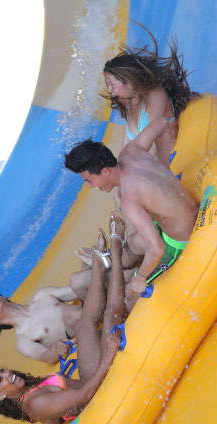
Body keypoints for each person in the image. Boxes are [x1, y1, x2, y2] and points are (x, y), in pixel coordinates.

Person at [0, 215, 125, 424]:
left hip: (88, 376)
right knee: (93, 322)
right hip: (96, 392)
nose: (7, 374)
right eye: (0, 379)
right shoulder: (33, 399)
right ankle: (113, 254)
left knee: (84, 314)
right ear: (0, 396)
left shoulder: (27, 392)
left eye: (2, 370)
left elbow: (56, 422)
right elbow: (82, 395)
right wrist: (109, 354)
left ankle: (101, 263)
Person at [64, 123, 198, 308]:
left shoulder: (130, 200)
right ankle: (116, 263)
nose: (89, 186)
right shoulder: (131, 150)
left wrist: (140, 278)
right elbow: (162, 124)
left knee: (131, 292)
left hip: (179, 241)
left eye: (89, 180)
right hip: (183, 214)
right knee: (134, 240)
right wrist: (165, 165)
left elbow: (157, 249)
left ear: (105, 171)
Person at [103, 27, 199, 169]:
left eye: (111, 84)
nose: (109, 90)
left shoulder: (155, 96)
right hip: (152, 169)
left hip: (174, 164)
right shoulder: (130, 108)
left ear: (128, 80)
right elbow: (126, 150)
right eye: (107, 85)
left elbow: (157, 140)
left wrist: (139, 174)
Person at [0, 285, 81, 364]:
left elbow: (76, 290)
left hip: (87, 310)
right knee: (69, 315)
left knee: (78, 279)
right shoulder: (23, 340)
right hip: (77, 326)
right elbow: (45, 356)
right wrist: (56, 349)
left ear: (3, 297)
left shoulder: (42, 295)